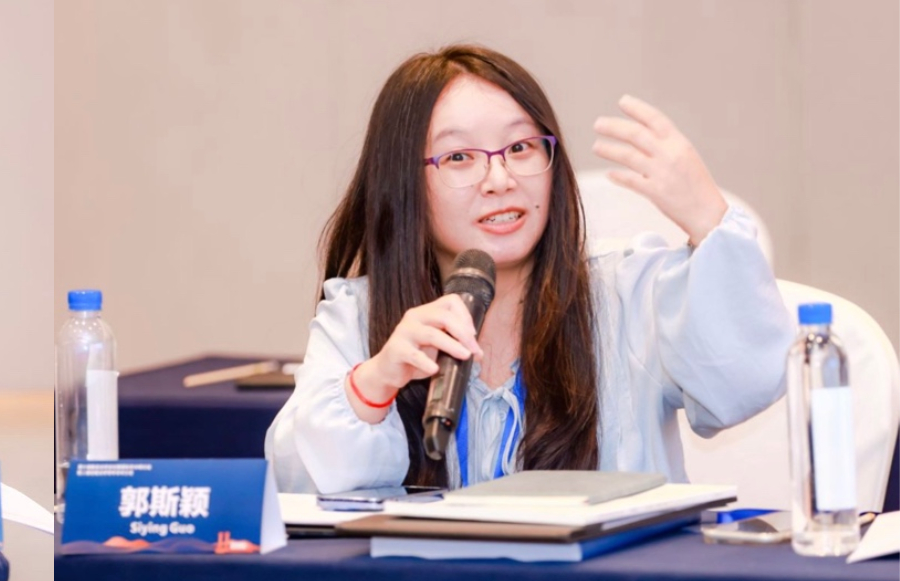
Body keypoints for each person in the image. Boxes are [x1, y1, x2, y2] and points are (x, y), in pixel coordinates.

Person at [265, 45, 793, 493]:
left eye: (520, 147)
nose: (500, 179)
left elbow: (743, 385)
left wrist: (708, 218)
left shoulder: (628, 293)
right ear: (404, 184)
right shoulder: (359, 316)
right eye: (459, 157)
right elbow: (295, 487)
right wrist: (375, 384)